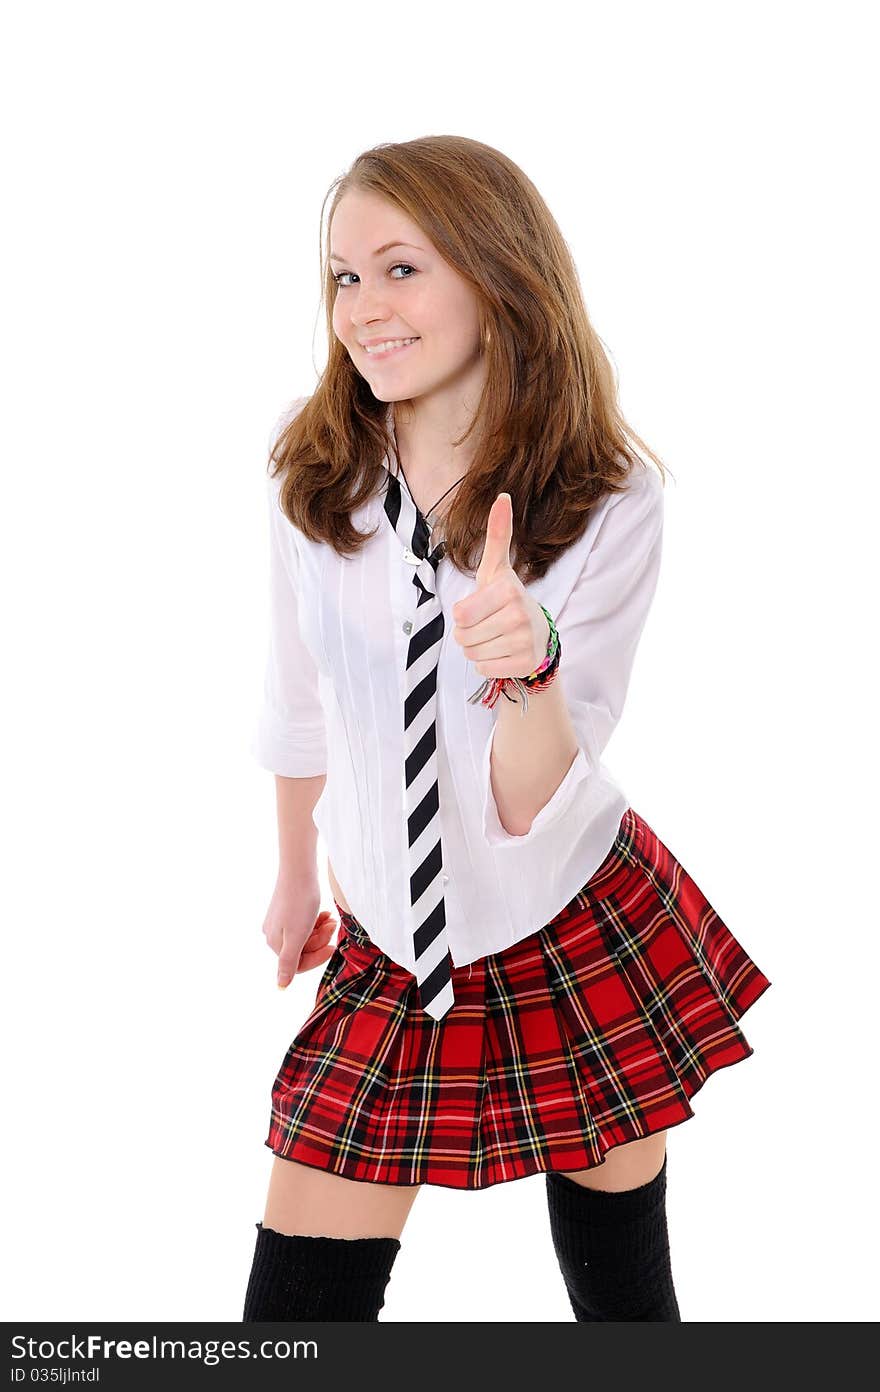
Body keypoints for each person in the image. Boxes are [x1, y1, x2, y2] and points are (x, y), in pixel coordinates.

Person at [241, 135, 772, 1324]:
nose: (362, 312)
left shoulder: (610, 493)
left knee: (623, 1299)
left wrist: (526, 664)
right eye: (341, 277)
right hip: (387, 937)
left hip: (568, 920)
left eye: (398, 269)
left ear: (495, 272)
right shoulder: (316, 465)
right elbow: (294, 697)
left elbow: (533, 795)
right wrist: (291, 879)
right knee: (291, 1324)